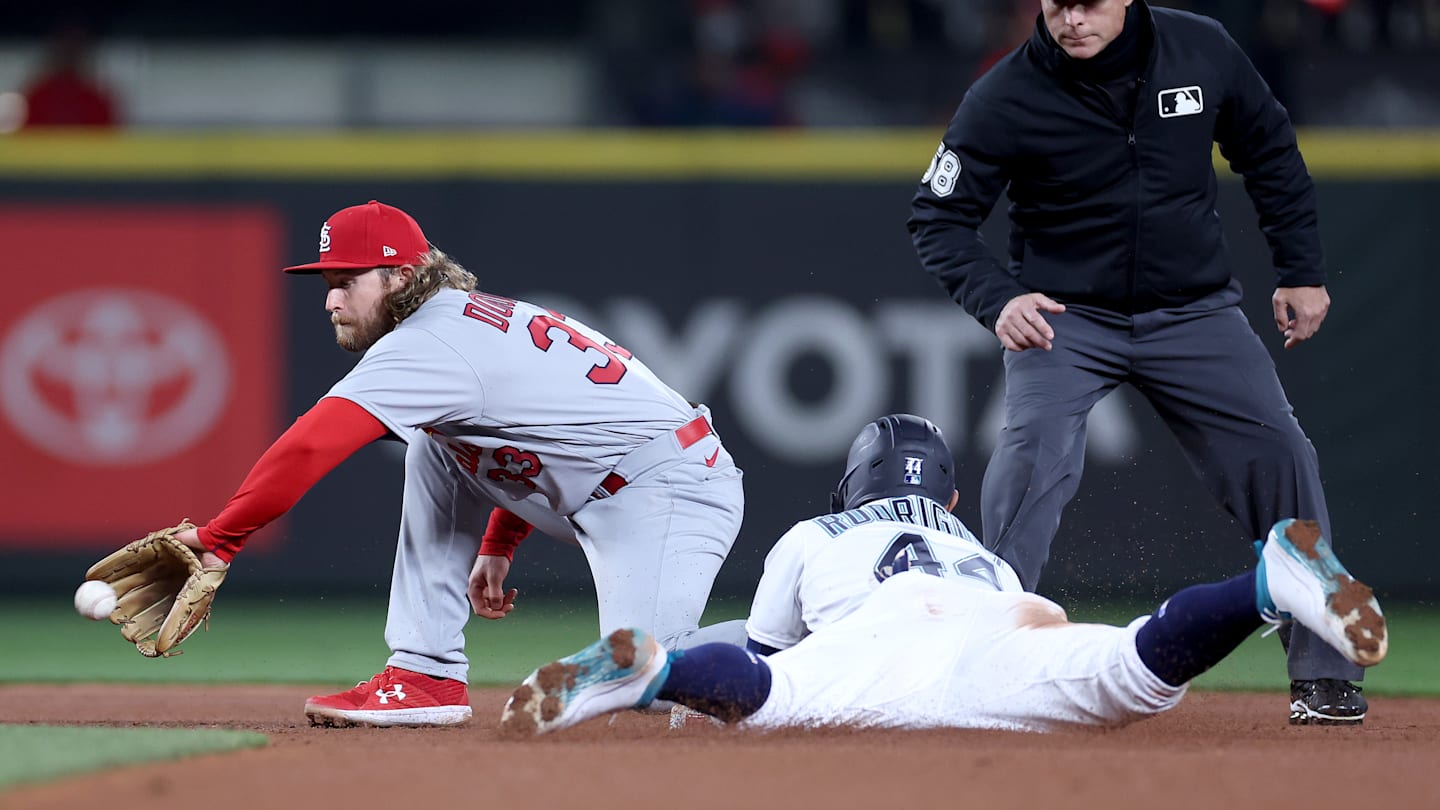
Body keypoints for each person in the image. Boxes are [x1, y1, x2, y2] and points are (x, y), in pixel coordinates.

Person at [905, 0, 1366, 724]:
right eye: (1057, 4)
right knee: (1029, 458)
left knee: (1281, 453)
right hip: (1067, 318)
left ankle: (1325, 673)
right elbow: (937, 217)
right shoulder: (1006, 94)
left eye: (1089, 3)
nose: (1071, 19)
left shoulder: (1199, 49)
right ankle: (972, 661)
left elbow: (1269, 149)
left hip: (1194, 311)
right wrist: (998, 300)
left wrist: (1301, 268)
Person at [169, 200, 746, 727]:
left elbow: (309, 446)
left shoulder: (428, 342)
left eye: (346, 282)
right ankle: (425, 671)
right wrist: (499, 543)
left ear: (400, 276)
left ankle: (804, 646)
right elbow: (541, 432)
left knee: (653, 680)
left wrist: (221, 537)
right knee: (431, 441)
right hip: (614, 482)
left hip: (671, 489)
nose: (330, 300)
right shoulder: (463, 321)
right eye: (327, 283)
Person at [499, 414, 1386, 736]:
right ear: (951, 498)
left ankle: (648, 665)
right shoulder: (984, 550)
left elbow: (769, 652)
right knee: (1128, 670)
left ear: (852, 488)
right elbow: (1019, 611)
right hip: (1002, 614)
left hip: (882, 629)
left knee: (769, 700)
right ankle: (1265, 583)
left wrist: (693, 675)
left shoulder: (815, 531)